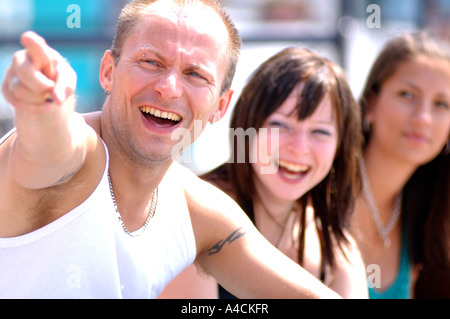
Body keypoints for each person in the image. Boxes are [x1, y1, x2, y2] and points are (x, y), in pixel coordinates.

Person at [0, 0, 342, 299]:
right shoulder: (79, 152)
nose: (168, 88)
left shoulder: (197, 211)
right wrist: (41, 108)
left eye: (195, 74)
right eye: (150, 62)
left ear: (220, 106)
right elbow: (47, 148)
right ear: (108, 71)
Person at [159, 46, 368, 299]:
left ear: (340, 147)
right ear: (248, 127)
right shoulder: (197, 213)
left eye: (320, 132)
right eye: (280, 125)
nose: (299, 148)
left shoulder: (334, 245)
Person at [351, 31, 450, 299]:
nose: (423, 118)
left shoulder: (427, 218)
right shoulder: (319, 190)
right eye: (407, 95)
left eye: (442, 104)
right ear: (371, 102)